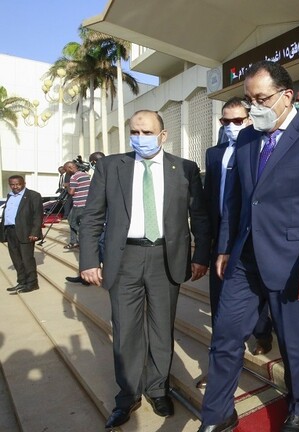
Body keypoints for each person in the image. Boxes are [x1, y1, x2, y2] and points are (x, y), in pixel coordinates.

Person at [199, 61, 299, 432]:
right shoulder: (247, 138)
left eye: (261, 99)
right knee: (225, 337)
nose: (254, 107)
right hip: (244, 260)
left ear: (286, 96)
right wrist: (225, 247)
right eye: (250, 100)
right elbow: (235, 199)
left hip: (293, 263)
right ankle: (217, 415)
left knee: (293, 344)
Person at [79, 110, 210, 429]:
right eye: (135, 132)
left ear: (163, 135)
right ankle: (127, 395)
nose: (140, 138)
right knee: (126, 329)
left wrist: (201, 255)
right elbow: (92, 216)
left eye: (147, 132)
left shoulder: (185, 168)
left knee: (161, 328)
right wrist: (89, 260)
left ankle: (157, 388)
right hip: (124, 258)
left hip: (167, 258)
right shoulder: (111, 166)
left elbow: (200, 216)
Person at [196, 97, 273, 391]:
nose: (231, 126)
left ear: (249, 119)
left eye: (238, 121)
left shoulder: (259, 149)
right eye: (225, 121)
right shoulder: (214, 154)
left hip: (251, 236)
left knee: (255, 294)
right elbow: (209, 197)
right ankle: (220, 365)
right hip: (221, 237)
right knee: (220, 303)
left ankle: (263, 333)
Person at [66, 151, 105, 286]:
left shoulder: (104, 173)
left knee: (84, 234)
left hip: (93, 212)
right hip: (94, 211)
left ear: (93, 162)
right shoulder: (90, 175)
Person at [2, 176, 42, 294]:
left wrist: (35, 232)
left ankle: (32, 283)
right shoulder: (10, 196)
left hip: (26, 232)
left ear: (24, 183)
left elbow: (38, 215)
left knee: (27, 259)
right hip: (10, 231)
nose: (15, 187)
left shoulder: (33, 195)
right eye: (12, 184)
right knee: (16, 259)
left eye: (18, 184)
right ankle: (22, 282)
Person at [63, 161, 90, 249]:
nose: (66, 172)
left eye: (66, 170)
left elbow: (71, 192)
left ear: (70, 168)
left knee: (73, 222)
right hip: (86, 202)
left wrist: (67, 186)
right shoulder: (85, 175)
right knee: (71, 219)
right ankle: (73, 241)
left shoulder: (74, 177)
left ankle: (88, 235)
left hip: (79, 203)